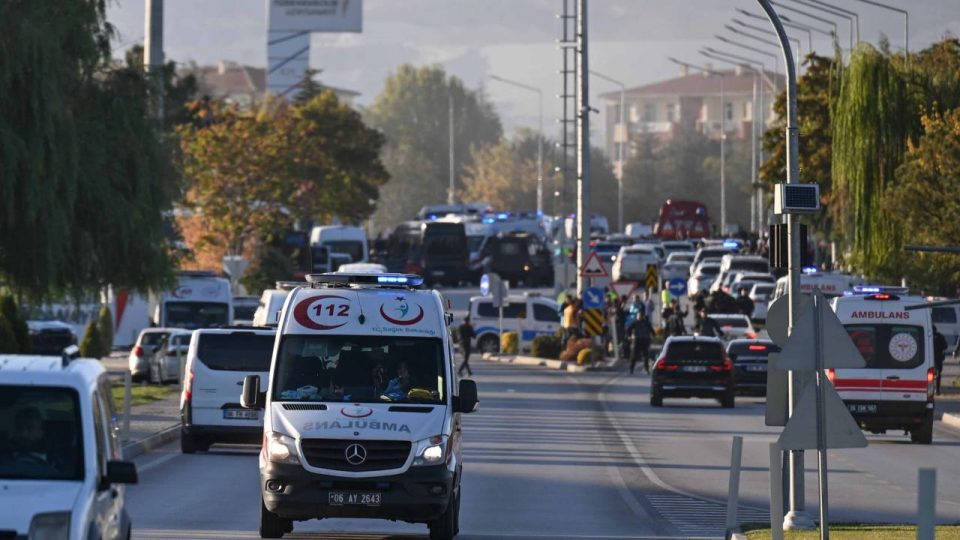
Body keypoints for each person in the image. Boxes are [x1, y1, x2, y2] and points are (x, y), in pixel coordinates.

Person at [933, 328, 947, 395]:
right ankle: (937, 390)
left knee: (929, 374)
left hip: (929, 358)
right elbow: (945, 347)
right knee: (938, 374)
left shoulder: (927, 335)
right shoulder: (940, 336)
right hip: (938, 358)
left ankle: (934, 389)